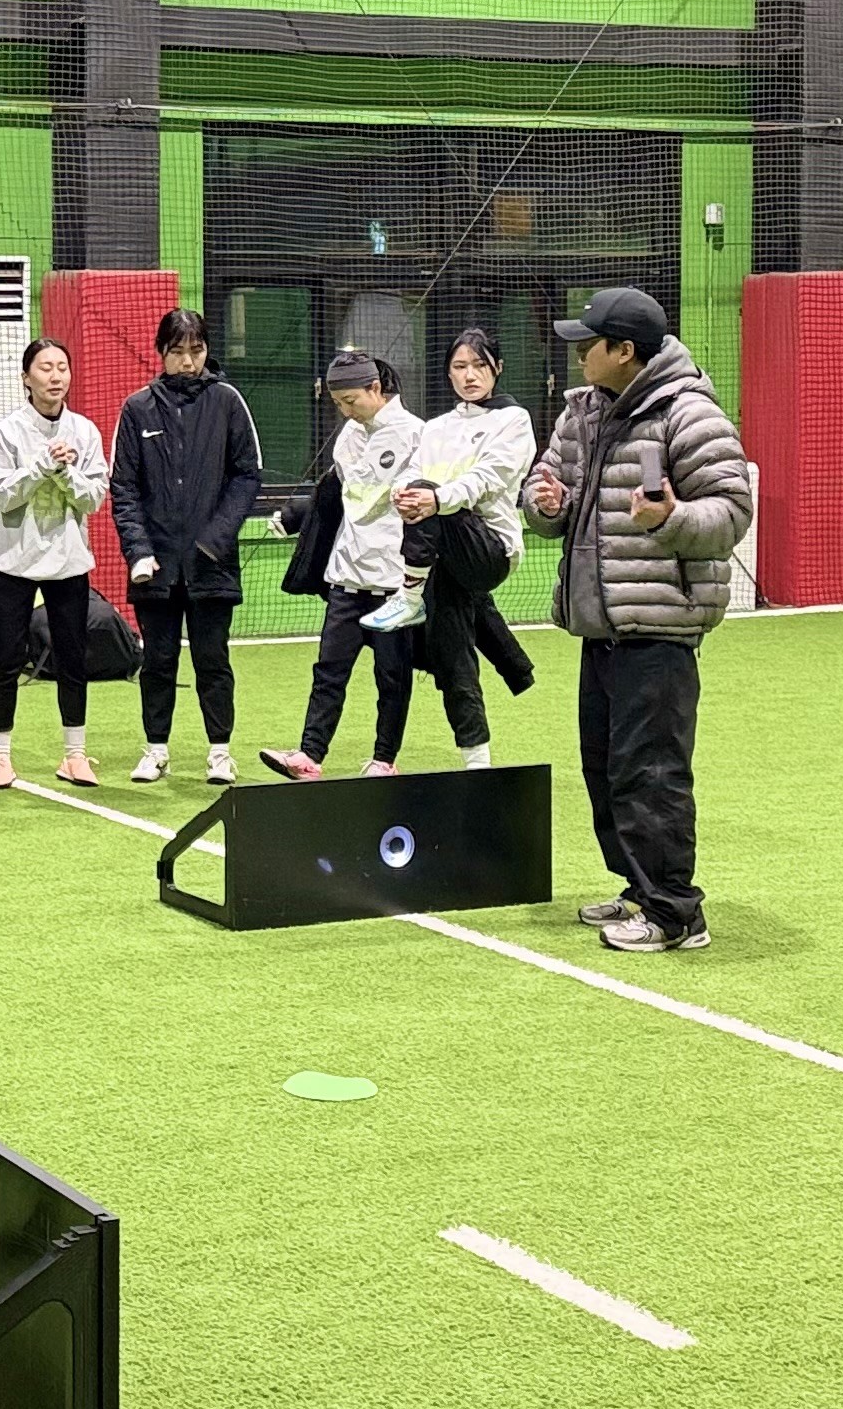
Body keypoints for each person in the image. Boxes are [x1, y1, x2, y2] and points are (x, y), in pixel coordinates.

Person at [528, 286, 753, 955]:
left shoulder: (689, 414)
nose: (579, 356)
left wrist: (672, 519)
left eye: (589, 344)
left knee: (651, 770)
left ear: (624, 352)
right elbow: (548, 494)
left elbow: (732, 511)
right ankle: (637, 888)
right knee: (606, 766)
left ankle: (676, 913)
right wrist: (547, 502)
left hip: (659, 626)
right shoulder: (583, 412)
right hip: (600, 623)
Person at [365, 327, 543, 761]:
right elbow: (414, 471)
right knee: (453, 651)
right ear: (448, 374)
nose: (470, 375)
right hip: (443, 554)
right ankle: (477, 761)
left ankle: (408, 595)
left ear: (497, 368)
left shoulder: (514, 420)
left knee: (429, 494)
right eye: (460, 367)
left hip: (490, 548)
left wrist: (434, 498)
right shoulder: (438, 427)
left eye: (479, 365)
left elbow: (489, 479)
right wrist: (403, 495)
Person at [109, 308, 263, 786]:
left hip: (211, 567)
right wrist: (138, 551)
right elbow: (124, 489)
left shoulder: (229, 402)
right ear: (162, 353)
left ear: (206, 351)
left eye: (196, 351)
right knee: (156, 661)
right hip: (154, 569)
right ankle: (156, 750)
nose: (189, 362)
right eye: (178, 352)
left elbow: (247, 475)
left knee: (212, 660)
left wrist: (216, 539)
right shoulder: (137, 410)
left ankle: (220, 753)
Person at [262, 351, 426, 782]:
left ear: (376, 389)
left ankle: (383, 760)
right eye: (338, 403)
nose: (345, 410)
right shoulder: (349, 436)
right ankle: (308, 756)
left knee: (392, 677)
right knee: (328, 671)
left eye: (351, 400)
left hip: (395, 582)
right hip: (347, 577)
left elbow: (365, 497)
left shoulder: (416, 435)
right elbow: (348, 499)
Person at [0, 337, 113, 788]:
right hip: (11, 564)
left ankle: (74, 755)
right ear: (26, 379)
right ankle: (0, 758)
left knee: (73, 659)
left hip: (69, 564)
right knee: (6, 659)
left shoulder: (86, 431)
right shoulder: (8, 431)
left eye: (62, 368)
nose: (56, 376)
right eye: (45, 368)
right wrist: (40, 466)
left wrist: (66, 472)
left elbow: (94, 499)